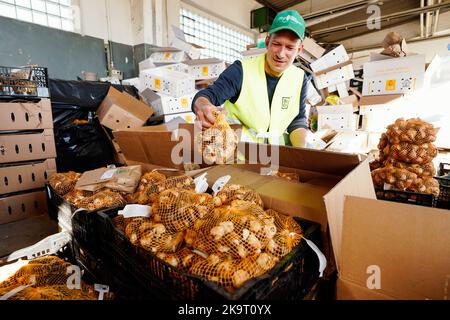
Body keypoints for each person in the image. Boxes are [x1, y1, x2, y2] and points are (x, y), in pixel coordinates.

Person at [192, 9, 311, 147]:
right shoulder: (241, 70)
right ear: (267, 41)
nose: (281, 54)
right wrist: (204, 106)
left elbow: (297, 120)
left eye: (290, 47)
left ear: (299, 50)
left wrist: (301, 153)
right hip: (238, 157)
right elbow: (207, 96)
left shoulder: (299, 78)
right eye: (276, 44)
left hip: (276, 157)